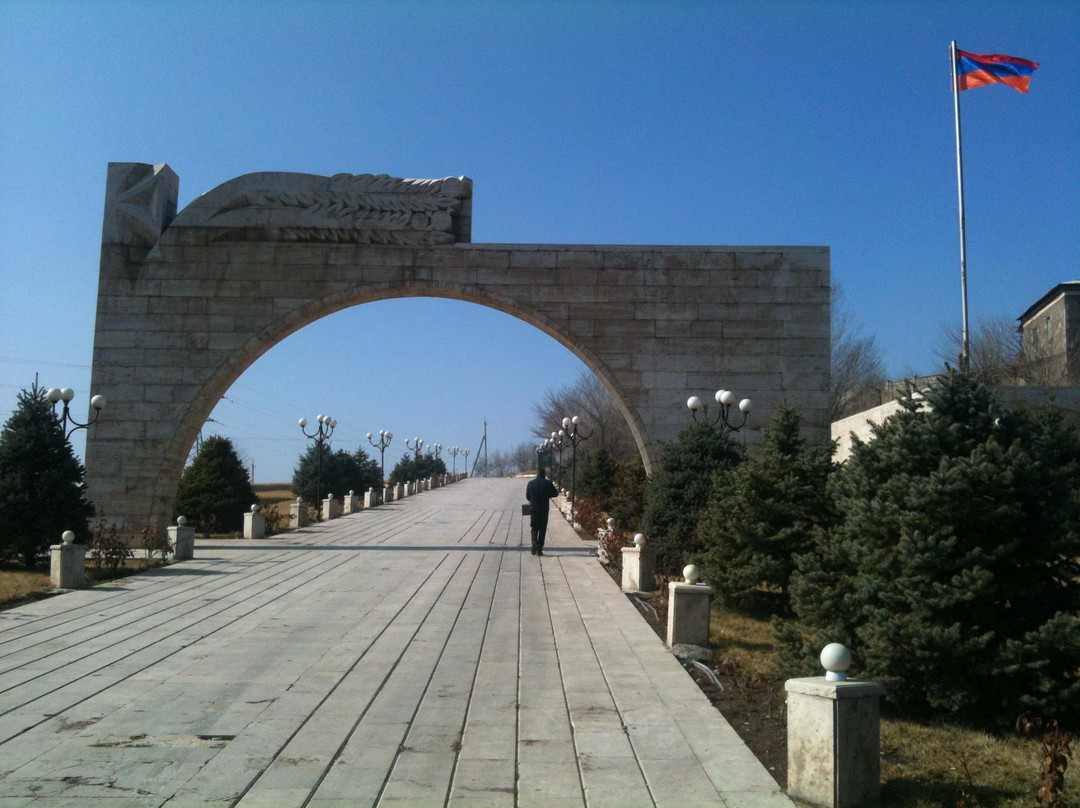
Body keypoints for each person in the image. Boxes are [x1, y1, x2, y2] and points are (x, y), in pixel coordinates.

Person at [525, 467, 559, 556]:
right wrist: (547, 495)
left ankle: (534, 542)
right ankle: (539, 549)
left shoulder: (531, 483)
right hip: (544, 509)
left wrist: (533, 499)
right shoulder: (548, 483)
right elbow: (555, 493)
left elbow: (528, 496)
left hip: (534, 509)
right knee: (542, 529)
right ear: (544, 474)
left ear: (537, 474)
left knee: (534, 527)